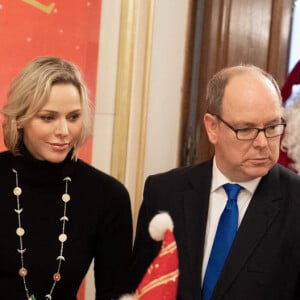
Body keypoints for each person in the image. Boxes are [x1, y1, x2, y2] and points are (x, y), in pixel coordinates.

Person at [131, 65, 300, 300]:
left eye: (272, 127)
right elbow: (143, 288)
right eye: (247, 129)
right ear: (212, 128)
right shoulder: (164, 192)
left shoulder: (295, 202)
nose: (263, 142)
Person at [0, 56, 133, 300]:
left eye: (73, 117)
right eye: (48, 117)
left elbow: (114, 292)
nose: (63, 131)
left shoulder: (107, 196)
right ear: (20, 119)